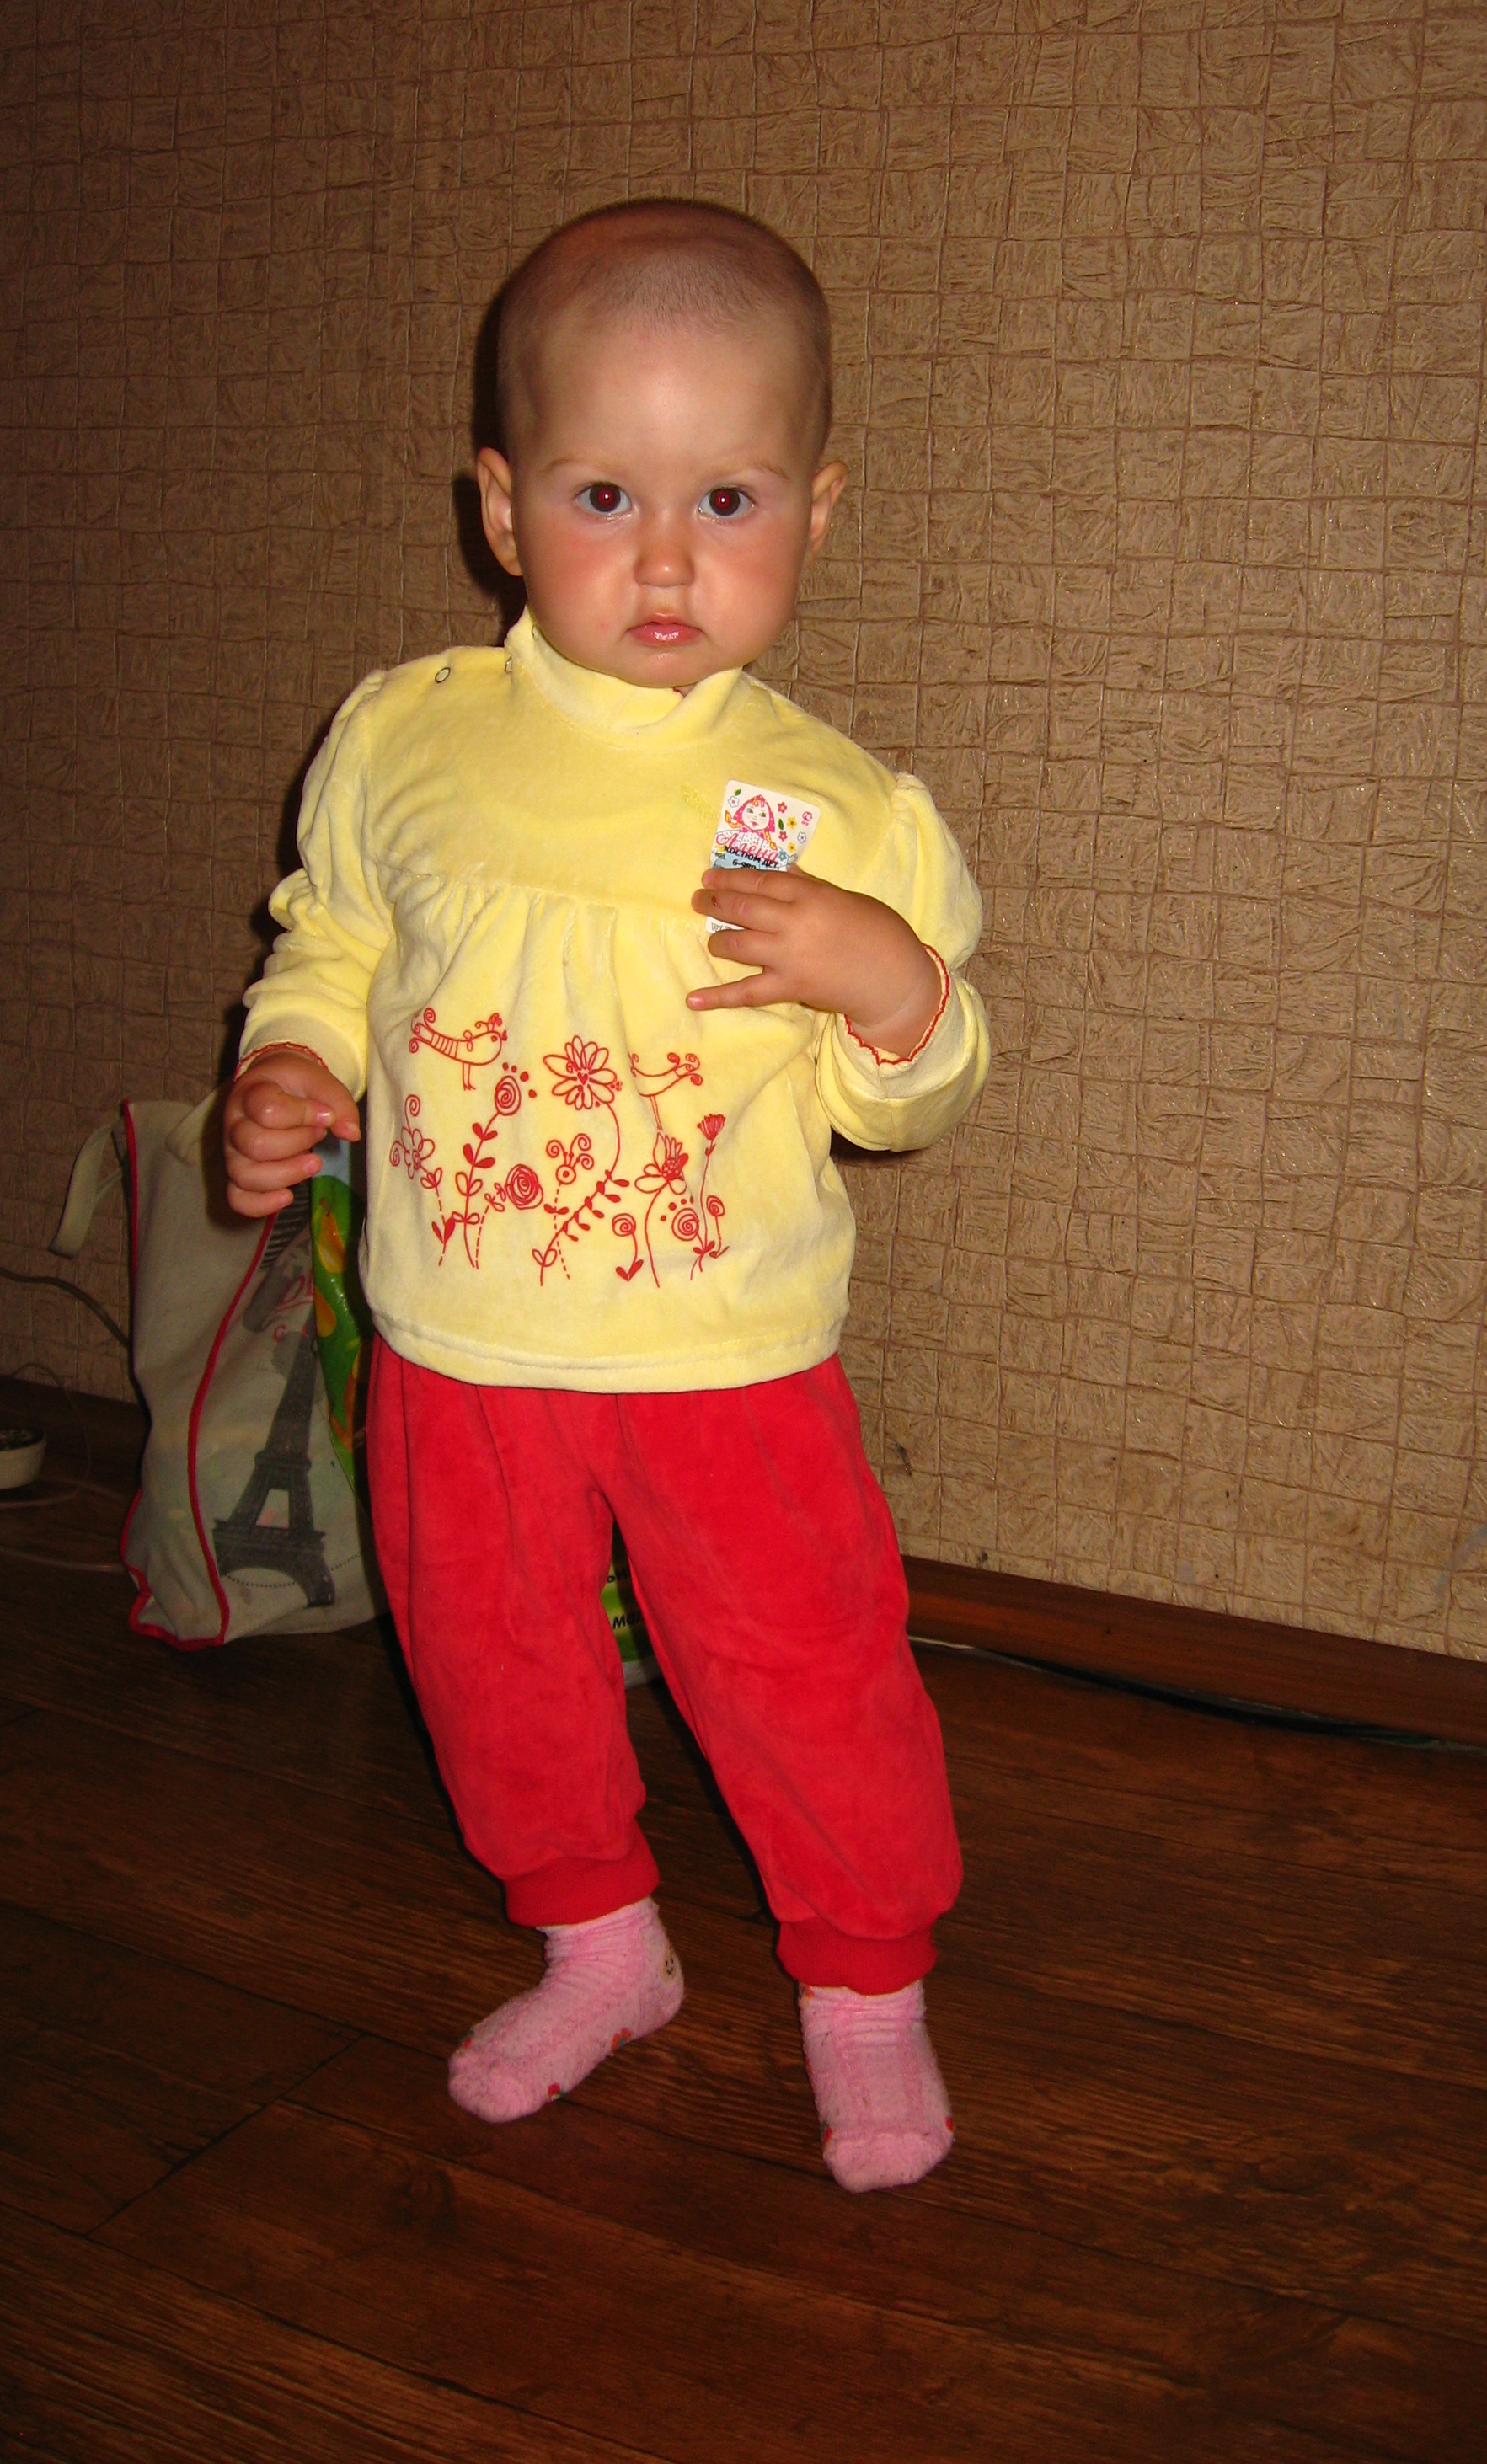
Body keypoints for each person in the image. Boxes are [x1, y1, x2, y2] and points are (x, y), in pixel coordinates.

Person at [222, 198, 989, 2194]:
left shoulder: (847, 812)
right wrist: (294, 1059)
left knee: (802, 1665)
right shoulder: (406, 736)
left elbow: (911, 1097)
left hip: (723, 1353)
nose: (665, 559)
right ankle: (597, 1942)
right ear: (501, 507)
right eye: (599, 495)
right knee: (494, 1664)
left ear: (817, 509)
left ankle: (865, 1980)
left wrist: (891, 986)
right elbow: (334, 939)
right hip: (462, 1342)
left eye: (727, 498)